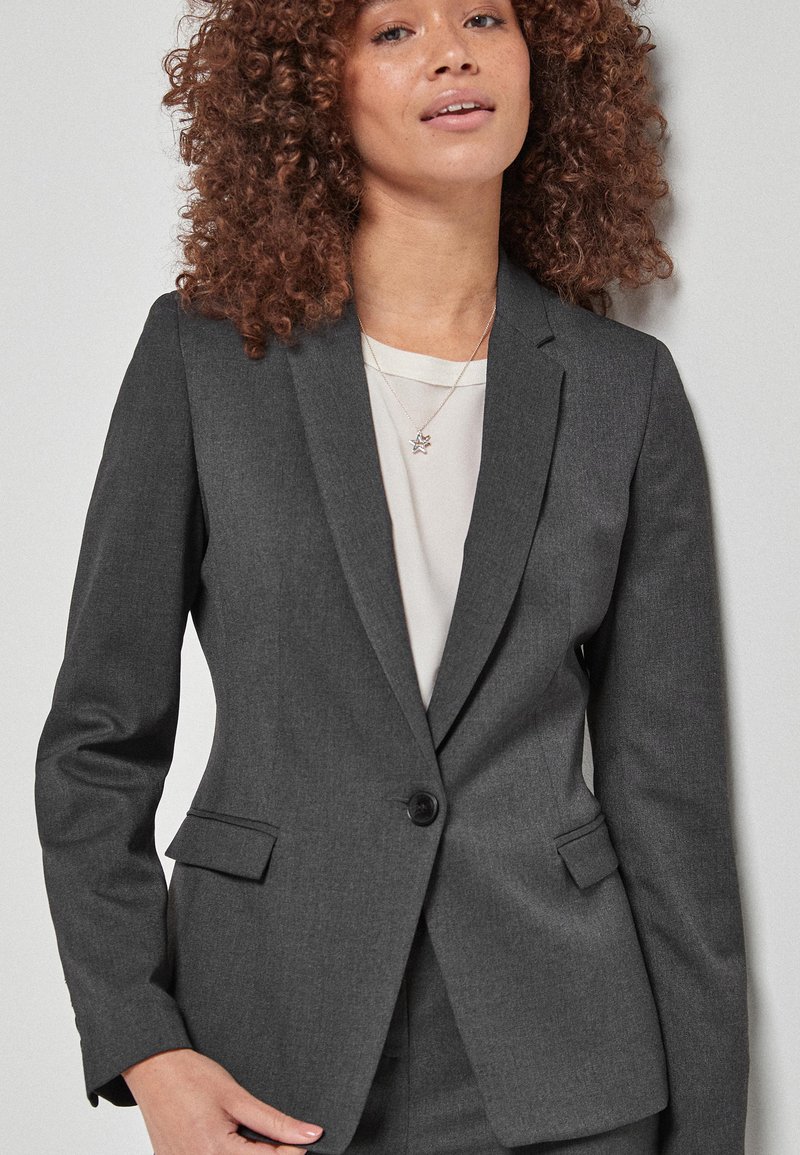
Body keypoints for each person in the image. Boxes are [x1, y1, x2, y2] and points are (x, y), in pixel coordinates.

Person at [34, 1, 749, 1153]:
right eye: (393, 30)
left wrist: (709, 1134)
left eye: (482, 16)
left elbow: (671, 803)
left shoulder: (624, 389)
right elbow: (96, 743)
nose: (451, 50)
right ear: (310, 87)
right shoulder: (205, 356)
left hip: (568, 1069)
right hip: (268, 1059)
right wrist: (143, 1046)